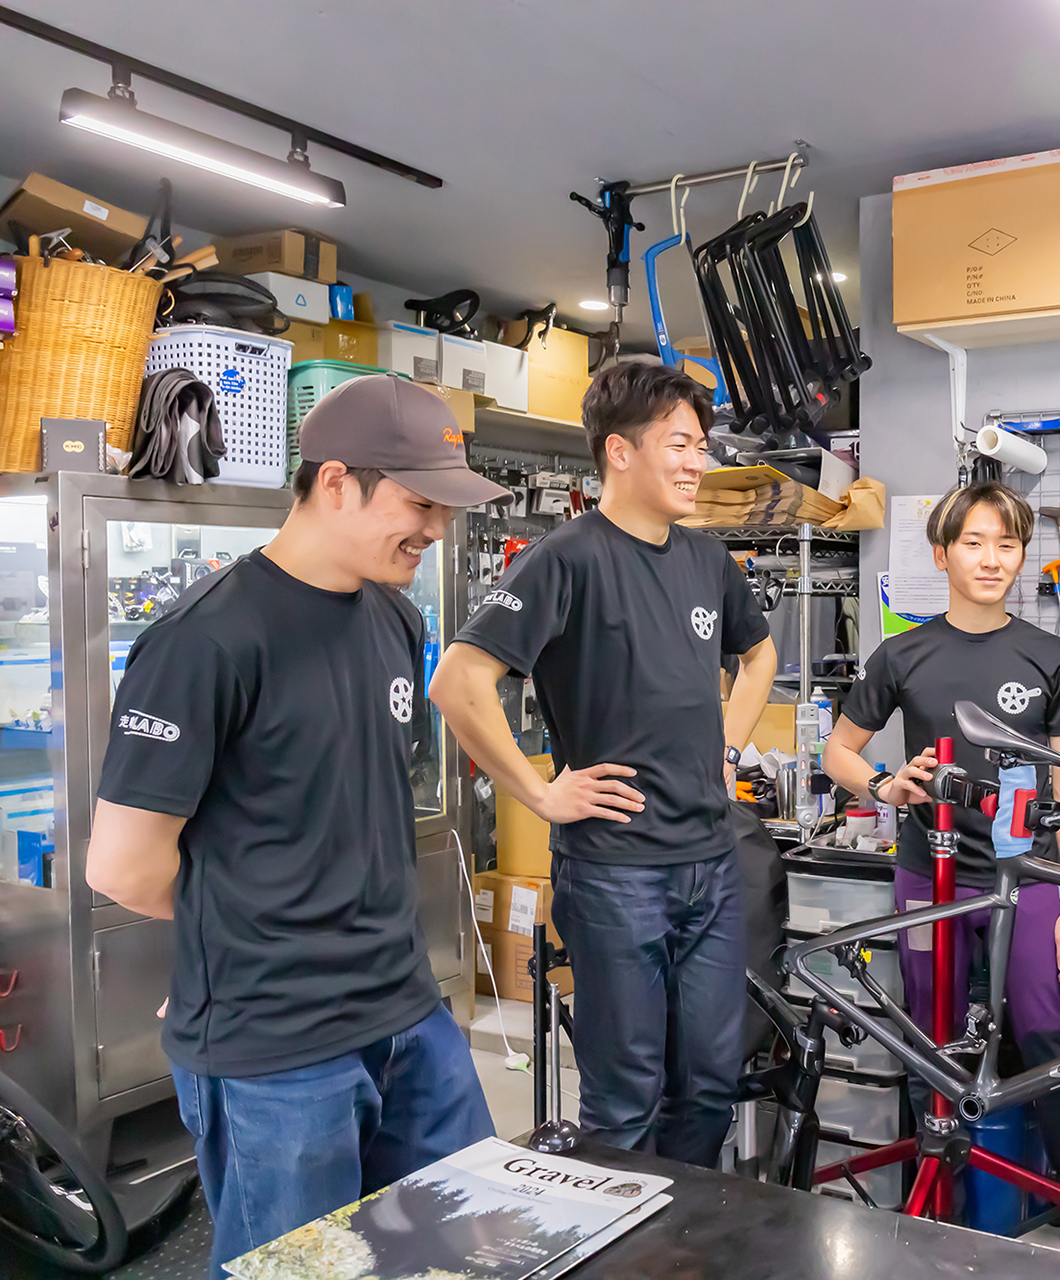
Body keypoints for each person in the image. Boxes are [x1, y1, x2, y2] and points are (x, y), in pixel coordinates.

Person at [86, 375, 505, 1276]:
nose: (435, 529)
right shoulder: (205, 641)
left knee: (468, 1250)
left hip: (407, 1011)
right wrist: (230, 941)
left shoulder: (395, 619)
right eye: (420, 503)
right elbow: (123, 866)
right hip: (278, 1046)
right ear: (336, 481)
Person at [431, 362, 776, 1165]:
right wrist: (539, 793)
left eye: (702, 445)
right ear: (619, 452)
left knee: (711, 1086)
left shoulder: (706, 560)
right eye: (681, 445)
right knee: (625, 1100)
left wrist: (725, 745)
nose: (699, 462)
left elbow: (755, 657)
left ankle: (681, 1248)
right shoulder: (567, 557)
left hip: (712, 865)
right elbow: (458, 682)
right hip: (618, 873)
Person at [823, 482, 1060, 1193]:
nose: (991, 559)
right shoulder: (902, 655)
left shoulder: (1051, 656)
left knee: (1048, 1038)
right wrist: (885, 787)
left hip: (1030, 879)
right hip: (930, 879)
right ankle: (934, 1198)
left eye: (1006, 545)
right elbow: (838, 753)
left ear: (1022, 556)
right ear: (943, 553)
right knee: (931, 1038)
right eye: (974, 543)